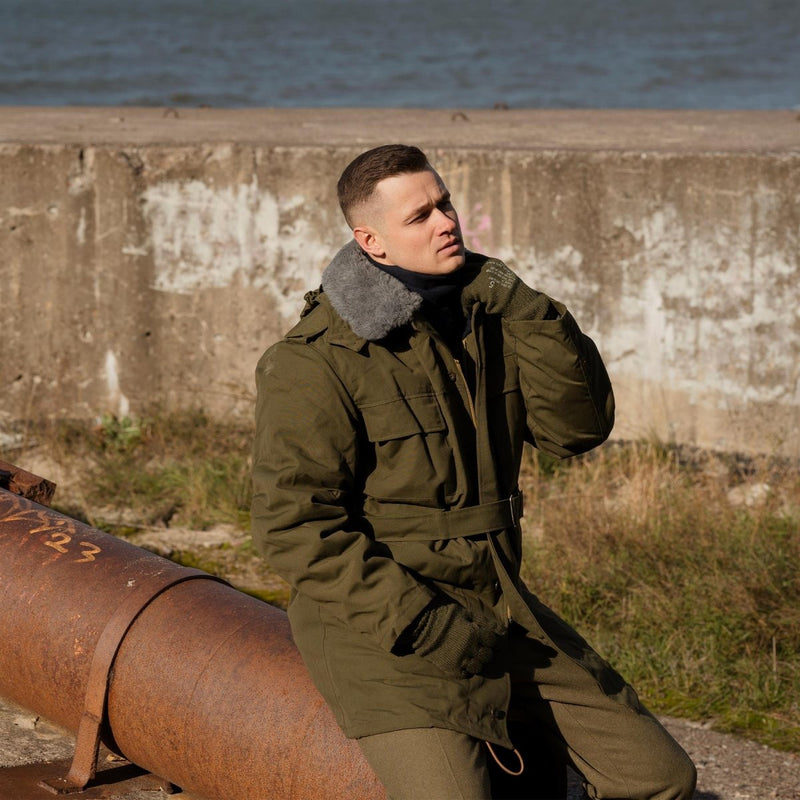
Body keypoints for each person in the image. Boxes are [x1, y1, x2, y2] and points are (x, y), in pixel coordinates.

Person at [251, 144, 696, 800]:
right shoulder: (317, 361)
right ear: (371, 241)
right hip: (387, 633)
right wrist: (421, 622)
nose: (446, 223)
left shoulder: (490, 318)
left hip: (499, 607)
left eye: (445, 204)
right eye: (420, 216)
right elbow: (293, 526)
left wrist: (529, 310)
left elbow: (575, 432)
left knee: (661, 778)